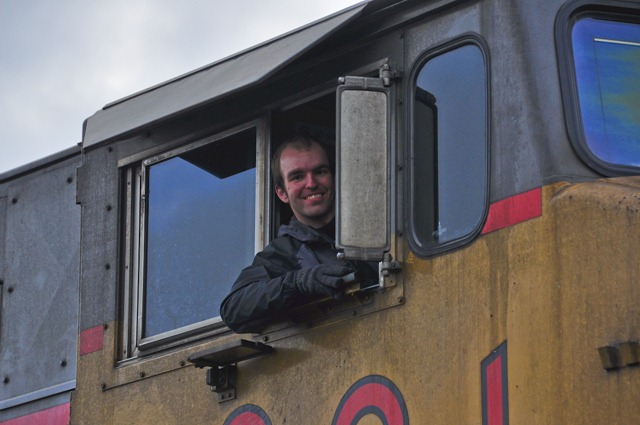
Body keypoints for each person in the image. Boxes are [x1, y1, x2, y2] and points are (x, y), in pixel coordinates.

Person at [219, 136, 377, 333]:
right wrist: (299, 282)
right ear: (282, 193)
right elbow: (233, 309)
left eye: (320, 172)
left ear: (335, 178)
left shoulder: (374, 223)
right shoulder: (284, 252)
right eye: (297, 177)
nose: (311, 183)